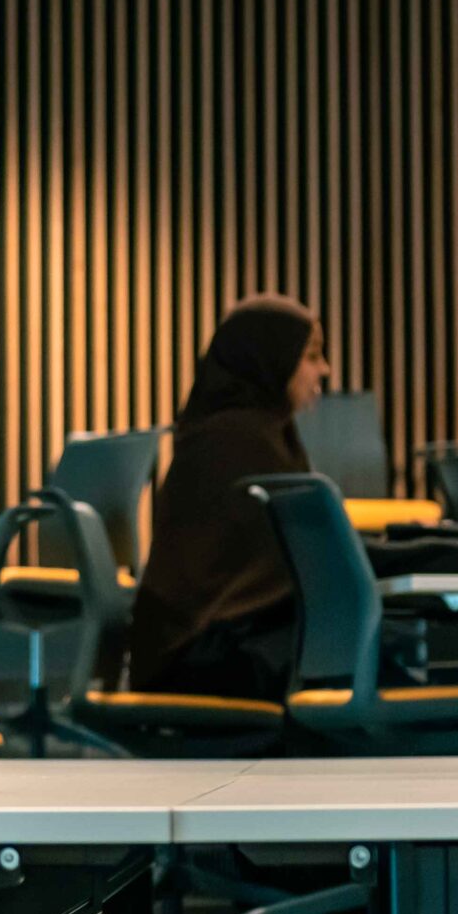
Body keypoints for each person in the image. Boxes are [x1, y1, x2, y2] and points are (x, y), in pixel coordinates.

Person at [127, 295, 332, 700]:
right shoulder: (236, 441)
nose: (323, 370)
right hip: (200, 656)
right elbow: (306, 558)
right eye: (311, 355)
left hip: (208, 645)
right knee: (359, 649)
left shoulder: (252, 432)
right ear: (269, 358)